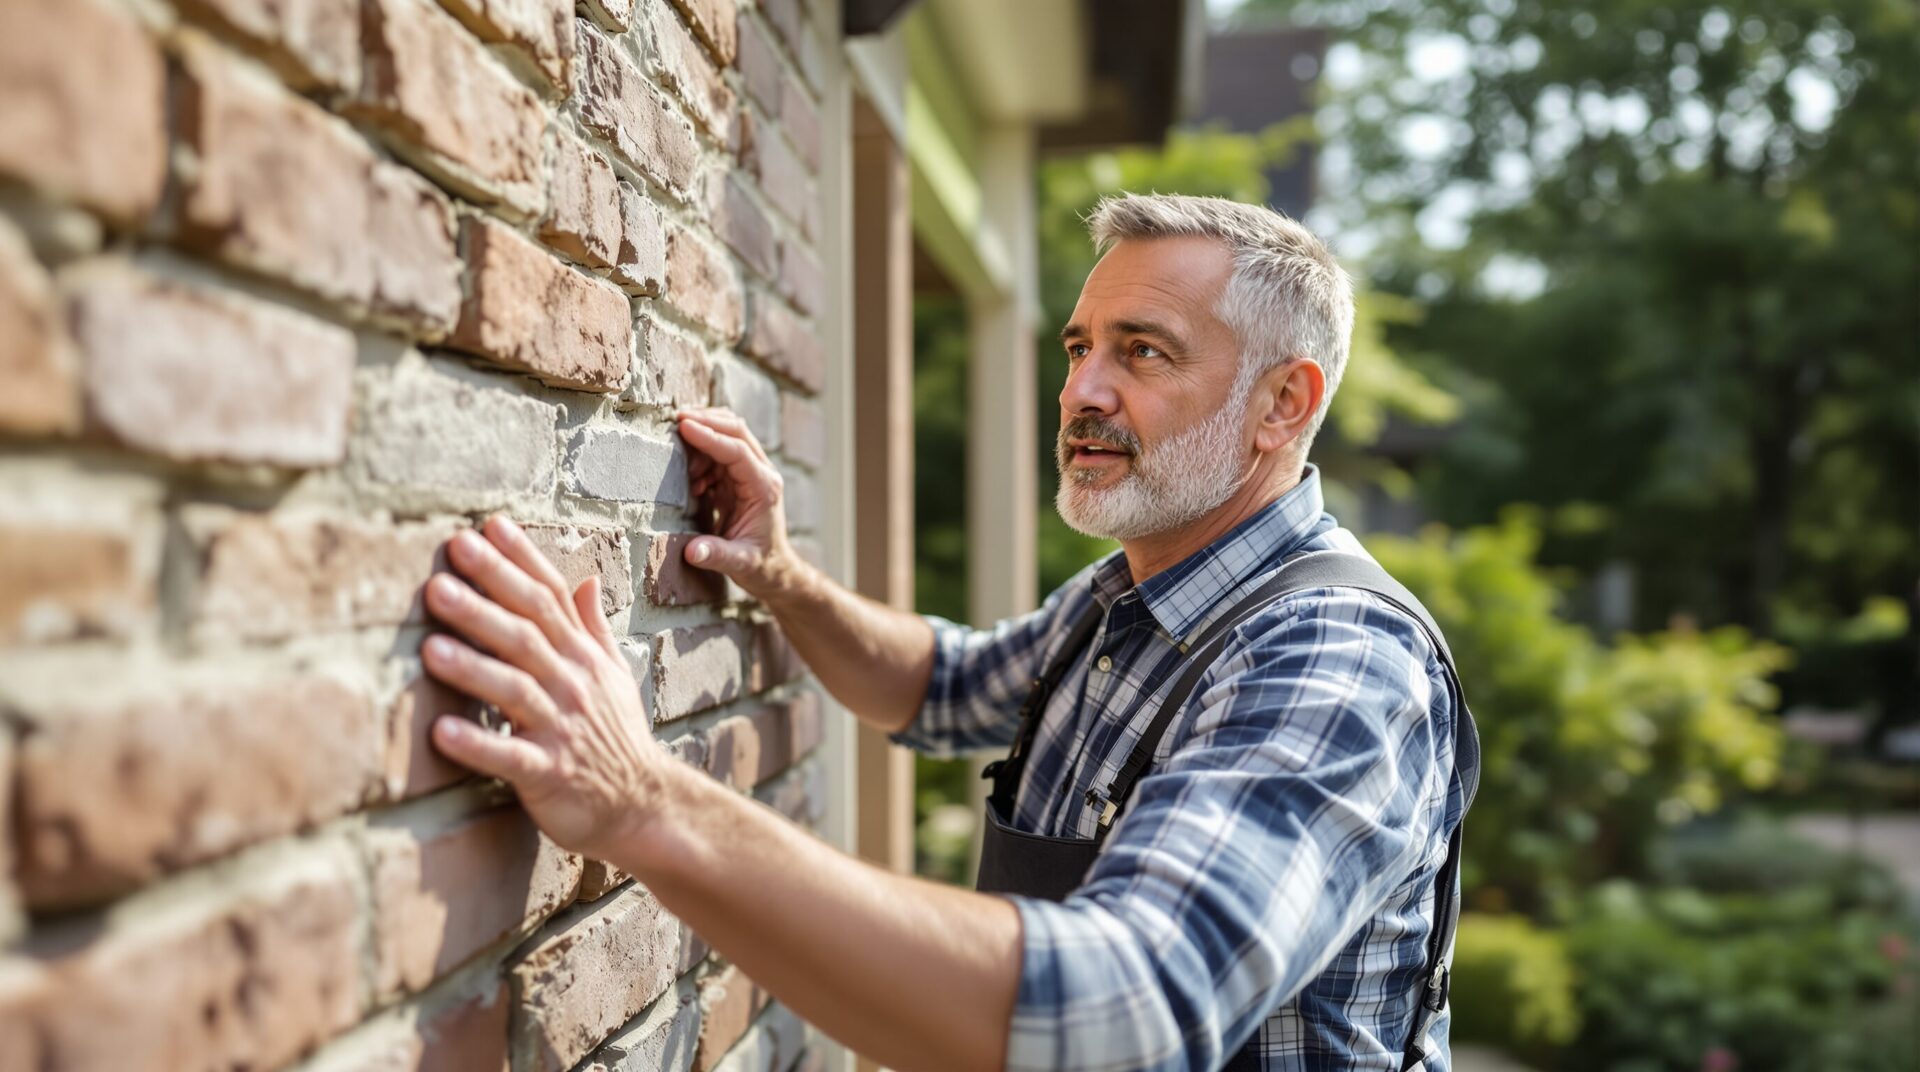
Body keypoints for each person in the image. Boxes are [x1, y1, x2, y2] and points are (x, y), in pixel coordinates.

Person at [418, 193, 1474, 1072]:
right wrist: (778, 576)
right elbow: (939, 684)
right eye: (1079, 346)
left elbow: (1133, 1004)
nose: (1082, 391)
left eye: (1142, 352)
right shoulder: (1125, 598)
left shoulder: (1334, 655)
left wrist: (639, 798)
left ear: (1283, 404)